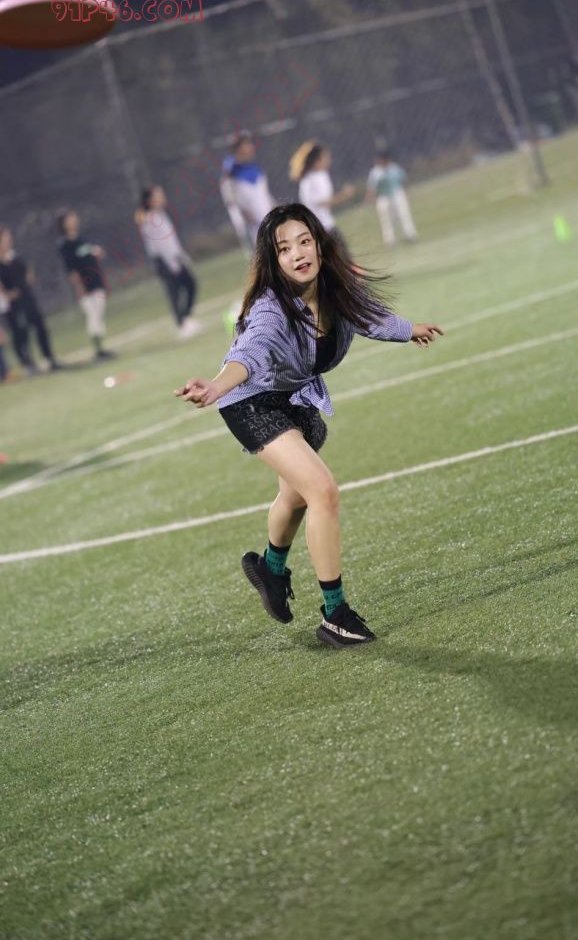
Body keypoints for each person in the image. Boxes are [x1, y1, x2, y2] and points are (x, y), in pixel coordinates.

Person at [175, 203, 443, 649]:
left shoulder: (335, 289)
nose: (298, 253)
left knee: (296, 496)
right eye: (285, 248)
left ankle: (270, 570)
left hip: (295, 399)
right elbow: (249, 353)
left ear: (319, 244)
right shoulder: (270, 308)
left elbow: (368, 315)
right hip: (251, 402)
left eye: (304, 241)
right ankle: (335, 615)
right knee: (322, 491)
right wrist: (217, 385)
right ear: (274, 260)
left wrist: (409, 329)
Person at [136, 186, 201, 338]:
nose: (162, 197)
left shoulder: (160, 215)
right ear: (150, 200)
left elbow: (171, 240)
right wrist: (172, 263)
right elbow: (160, 244)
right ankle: (182, 325)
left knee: (190, 284)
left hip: (174, 257)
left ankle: (186, 319)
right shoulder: (149, 218)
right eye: (158, 195)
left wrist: (181, 256)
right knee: (174, 292)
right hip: (164, 261)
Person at [0, 226, 61, 374]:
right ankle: (27, 364)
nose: (8, 240)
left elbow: (27, 275)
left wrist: (28, 279)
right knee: (20, 332)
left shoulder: (15, 257)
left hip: (27, 299)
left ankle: (49, 359)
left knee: (40, 326)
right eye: (5, 237)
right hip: (12, 305)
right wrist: (7, 294)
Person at [57, 210, 115, 361]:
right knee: (92, 316)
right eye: (70, 219)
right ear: (63, 224)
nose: (74, 220)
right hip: (84, 285)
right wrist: (79, 287)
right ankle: (98, 350)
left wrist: (97, 253)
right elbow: (71, 269)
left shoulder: (82, 239)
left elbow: (91, 256)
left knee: (99, 314)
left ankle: (102, 349)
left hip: (96, 281)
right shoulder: (65, 245)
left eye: (74, 218)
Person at [291, 142, 355, 251]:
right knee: (343, 258)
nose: (328, 160)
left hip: (317, 228)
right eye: (325, 157)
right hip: (324, 228)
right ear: (317, 161)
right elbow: (325, 202)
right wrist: (345, 194)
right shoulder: (315, 178)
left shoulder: (311, 177)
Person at [220, 133, 275, 247]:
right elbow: (230, 199)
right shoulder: (231, 172)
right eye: (247, 144)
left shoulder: (256, 169)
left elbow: (264, 195)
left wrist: (274, 206)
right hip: (251, 223)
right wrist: (244, 215)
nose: (251, 147)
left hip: (266, 218)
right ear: (238, 149)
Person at [365, 151, 418, 247]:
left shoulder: (394, 168)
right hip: (383, 197)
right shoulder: (375, 172)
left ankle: (410, 234)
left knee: (404, 214)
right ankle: (390, 240)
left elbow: (403, 179)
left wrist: (407, 191)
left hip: (397, 194)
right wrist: (369, 199)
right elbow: (371, 187)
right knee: (386, 219)